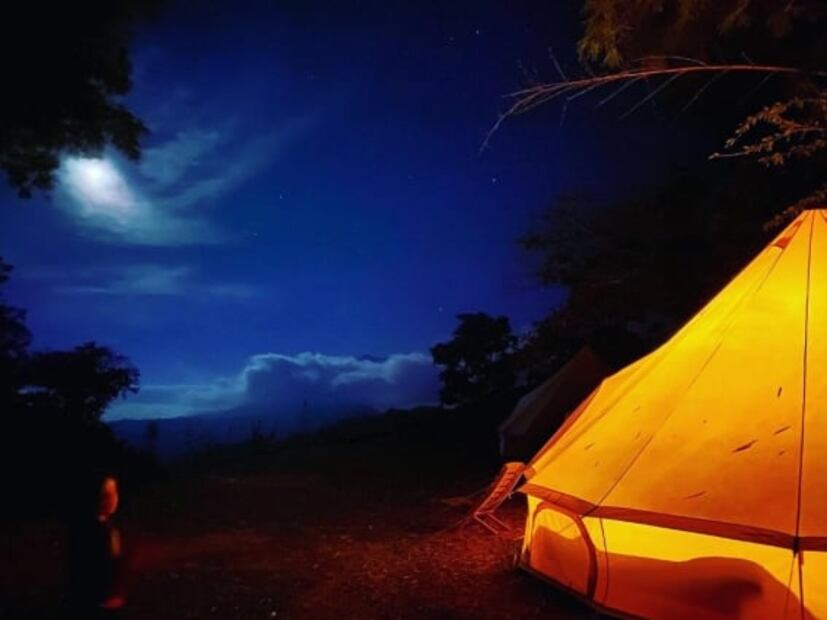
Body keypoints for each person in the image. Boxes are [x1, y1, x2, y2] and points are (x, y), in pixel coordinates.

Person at [64, 472, 128, 619]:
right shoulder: (91, 530)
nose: (112, 499)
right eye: (106, 495)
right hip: (97, 602)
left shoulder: (109, 527)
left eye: (114, 493)